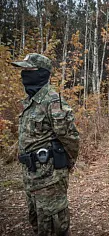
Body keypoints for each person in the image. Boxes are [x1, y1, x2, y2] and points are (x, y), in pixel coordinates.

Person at [12, 53, 80, 236]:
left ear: (42, 73)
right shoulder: (30, 102)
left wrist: (67, 164)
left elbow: (71, 139)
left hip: (50, 176)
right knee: (38, 223)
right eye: (23, 70)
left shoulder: (52, 101)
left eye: (29, 70)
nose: (24, 74)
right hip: (32, 175)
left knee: (54, 225)